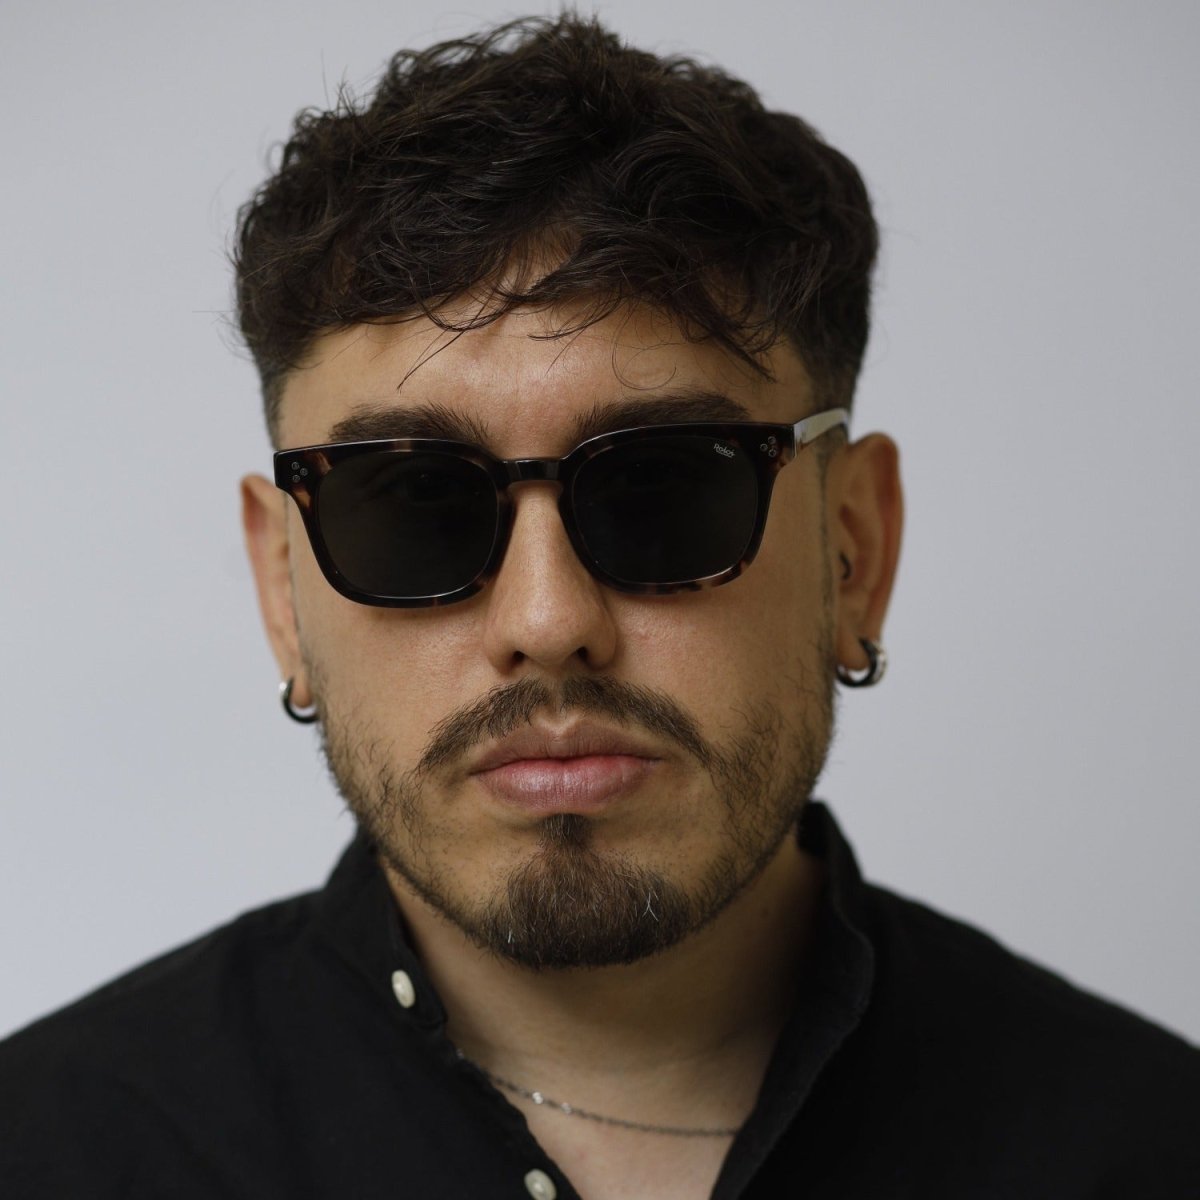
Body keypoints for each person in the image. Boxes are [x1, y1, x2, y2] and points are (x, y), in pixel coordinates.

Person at [1, 13, 1195, 1199]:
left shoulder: (1151, 1148)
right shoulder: (51, 1153)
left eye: (664, 489)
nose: (547, 619)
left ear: (853, 551)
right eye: (414, 503)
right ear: (281, 588)